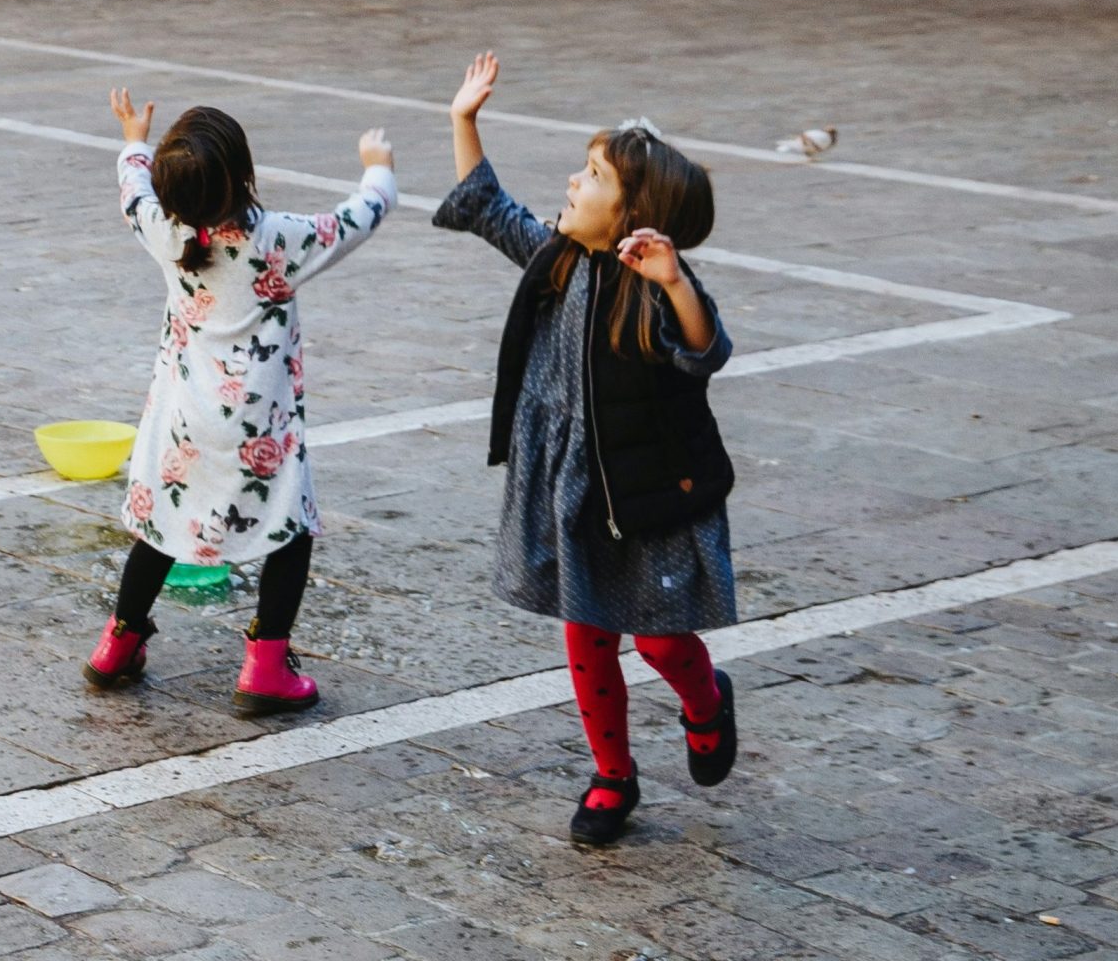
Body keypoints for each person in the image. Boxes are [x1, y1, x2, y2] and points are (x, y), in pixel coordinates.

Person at [437, 52, 738, 849]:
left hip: (644, 490)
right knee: (587, 629)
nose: (573, 182)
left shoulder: (655, 289)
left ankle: (706, 700)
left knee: (662, 636)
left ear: (634, 210)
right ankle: (614, 773)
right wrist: (465, 120)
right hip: (574, 484)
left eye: (592, 174)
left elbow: (706, 350)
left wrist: (674, 282)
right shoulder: (559, 259)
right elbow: (490, 207)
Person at [92, 90, 394, 715]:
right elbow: (358, 217)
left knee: (159, 528)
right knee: (290, 529)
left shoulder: (166, 232)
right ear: (243, 177)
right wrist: (378, 166)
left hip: (180, 422)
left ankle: (117, 644)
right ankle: (265, 666)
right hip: (260, 430)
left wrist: (133, 138)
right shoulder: (277, 239)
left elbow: (132, 191)